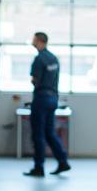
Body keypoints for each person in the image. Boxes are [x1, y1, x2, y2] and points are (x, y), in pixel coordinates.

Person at [25, 31, 71, 177]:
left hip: (41, 99)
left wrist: (35, 82)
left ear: (39, 41)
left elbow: (35, 80)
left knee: (38, 134)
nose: (32, 41)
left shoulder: (39, 59)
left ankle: (39, 167)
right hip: (53, 99)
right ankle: (62, 161)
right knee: (50, 132)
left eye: (33, 39)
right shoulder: (53, 59)